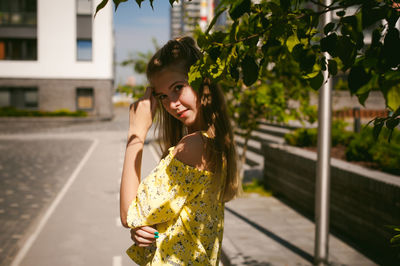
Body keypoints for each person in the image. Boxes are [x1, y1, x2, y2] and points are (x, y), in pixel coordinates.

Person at [119, 36, 240, 265]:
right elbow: (165, 220)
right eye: (163, 96)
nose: (172, 103)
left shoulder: (193, 146)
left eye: (178, 88)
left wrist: (135, 134)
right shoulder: (214, 142)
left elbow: (128, 215)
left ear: (203, 82)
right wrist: (147, 229)